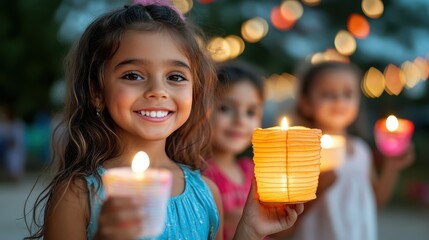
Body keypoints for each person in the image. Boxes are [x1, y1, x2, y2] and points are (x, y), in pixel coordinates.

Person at [25, 2, 304, 240]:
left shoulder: (206, 193)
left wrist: (250, 230)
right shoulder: (77, 195)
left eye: (176, 77)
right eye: (133, 75)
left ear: (194, 91)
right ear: (97, 92)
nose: (158, 91)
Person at [271, 61, 414, 240]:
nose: (339, 100)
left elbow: (374, 201)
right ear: (306, 103)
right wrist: (318, 190)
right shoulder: (304, 154)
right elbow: (284, 227)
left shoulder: (361, 151)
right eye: (328, 94)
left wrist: (391, 167)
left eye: (347, 94)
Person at [203, 61, 265, 240]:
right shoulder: (201, 175)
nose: (240, 121)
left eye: (251, 112)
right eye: (225, 108)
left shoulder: (253, 170)